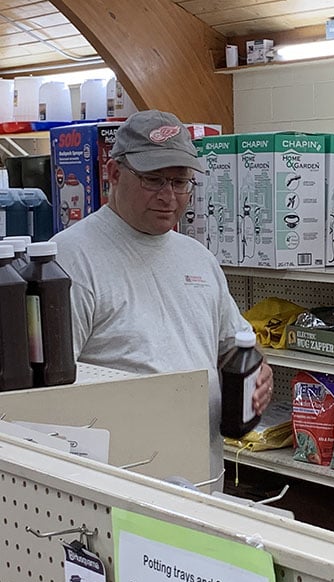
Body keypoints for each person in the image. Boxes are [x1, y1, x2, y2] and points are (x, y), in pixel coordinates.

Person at [51, 109, 273, 482]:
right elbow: (51, 391)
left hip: (202, 475)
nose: (169, 196)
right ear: (114, 174)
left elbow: (233, 346)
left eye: (180, 181)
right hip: (119, 481)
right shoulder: (70, 259)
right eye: (153, 180)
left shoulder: (198, 259)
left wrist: (258, 374)